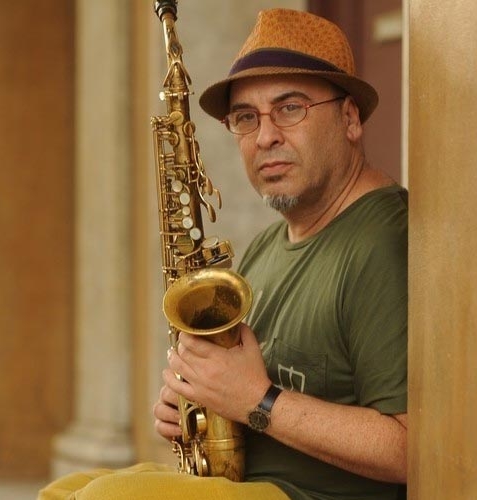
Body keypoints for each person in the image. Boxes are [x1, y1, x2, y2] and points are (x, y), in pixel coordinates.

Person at [39, 8, 407, 500]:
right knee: (66, 490)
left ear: (350, 118)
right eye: (245, 118)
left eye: (290, 108)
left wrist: (257, 400)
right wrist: (198, 405)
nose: (265, 136)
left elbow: (408, 447)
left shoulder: (384, 241)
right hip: (250, 483)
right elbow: (242, 396)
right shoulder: (267, 246)